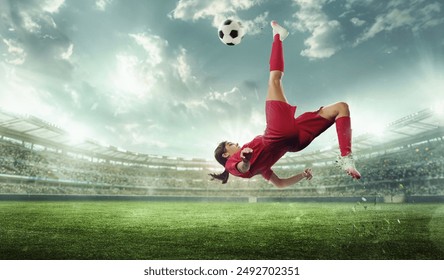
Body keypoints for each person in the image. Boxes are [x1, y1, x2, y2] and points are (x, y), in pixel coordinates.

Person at [210, 21, 361, 188]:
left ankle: (347, 159)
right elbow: (242, 167)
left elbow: (280, 184)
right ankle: (278, 36)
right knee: (274, 81)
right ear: (225, 154)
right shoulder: (232, 163)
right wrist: (245, 160)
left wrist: (302, 175)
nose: (236, 143)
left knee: (341, 108)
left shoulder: (261, 169)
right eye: (231, 144)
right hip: (277, 136)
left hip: (296, 142)